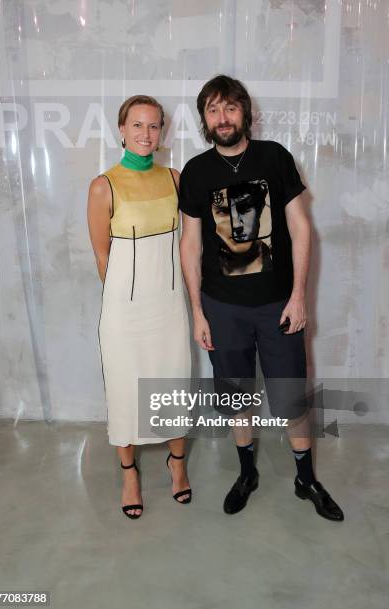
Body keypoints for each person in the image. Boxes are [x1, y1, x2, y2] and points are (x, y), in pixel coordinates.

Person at [179, 75, 344, 521]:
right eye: (213, 110)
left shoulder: (274, 157)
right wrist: (197, 311)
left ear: (245, 113)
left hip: (277, 306)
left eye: (230, 108)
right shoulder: (196, 171)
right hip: (222, 307)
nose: (223, 118)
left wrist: (298, 297)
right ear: (204, 119)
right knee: (237, 398)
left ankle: (306, 478)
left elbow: (301, 227)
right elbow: (190, 244)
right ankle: (247, 473)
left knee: (291, 398)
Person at [87, 95, 192, 519]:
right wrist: (124, 302)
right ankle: (129, 474)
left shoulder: (176, 178)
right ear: (122, 130)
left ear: (162, 132)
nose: (145, 134)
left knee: (173, 385)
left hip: (169, 306)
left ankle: (177, 466)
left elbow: (190, 242)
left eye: (153, 126)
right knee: (125, 390)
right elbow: (100, 255)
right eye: (137, 125)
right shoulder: (103, 185)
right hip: (124, 312)